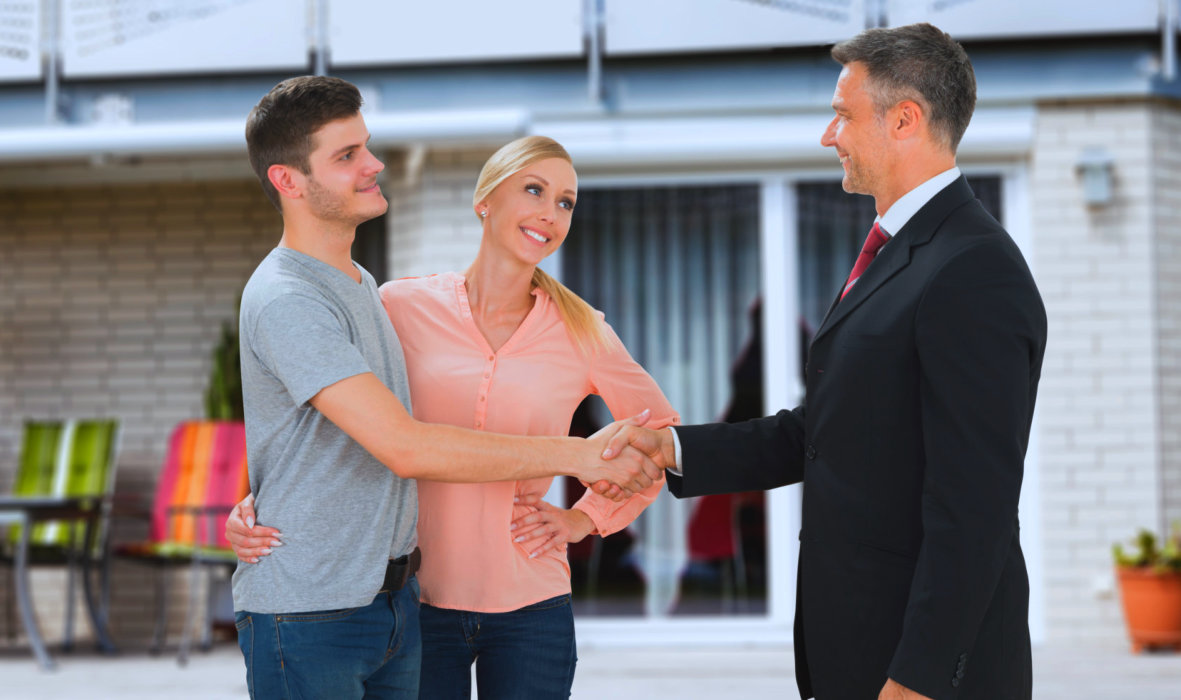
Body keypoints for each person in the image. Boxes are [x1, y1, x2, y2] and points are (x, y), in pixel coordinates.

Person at [600, 23, 1047, 700]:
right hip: (857, 651)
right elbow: (828, 433)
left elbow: (974, 511)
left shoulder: (972, 269)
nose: (826, 135)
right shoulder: (901, 251)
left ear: (904, 120)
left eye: (841, 115)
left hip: (917, 675)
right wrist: (671, 448)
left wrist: (916, 681)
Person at [232, 77, 661, 700]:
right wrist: (249, 507)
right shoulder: (379, 303)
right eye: (347, 155)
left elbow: (658, 436)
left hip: (426, 606)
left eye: (566, 201)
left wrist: (584, 518)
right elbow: (385, 439)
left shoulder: (363, 287)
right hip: (372, 604)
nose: (372, 164)